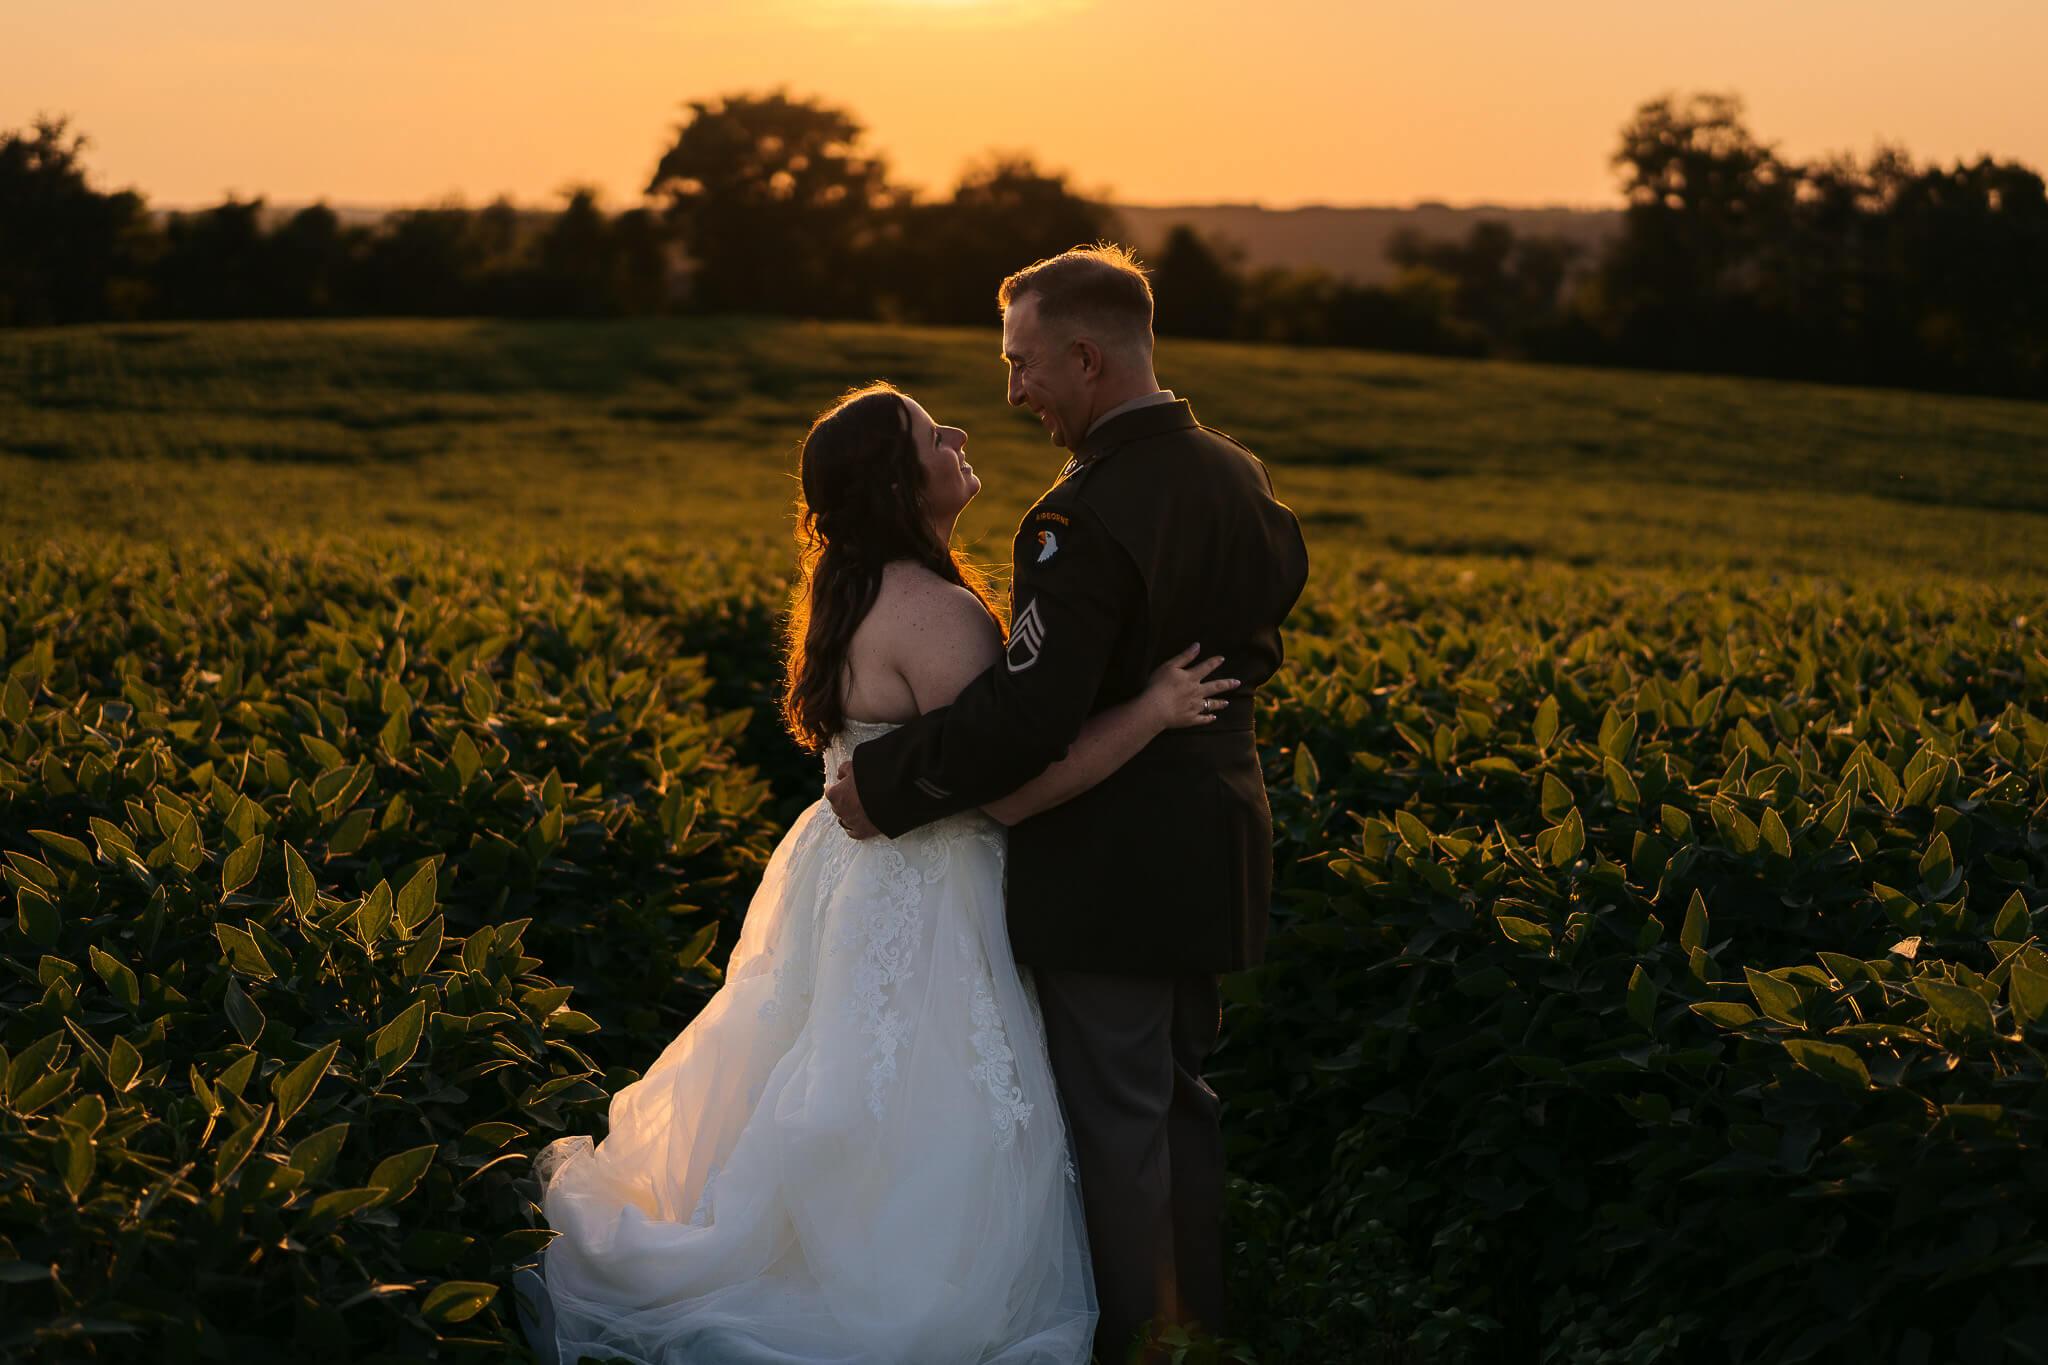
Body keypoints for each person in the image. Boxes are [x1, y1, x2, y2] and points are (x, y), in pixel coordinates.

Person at [515, 380, 1240, 1365]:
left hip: (854, 880)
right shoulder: (940, 614)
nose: (957, 433)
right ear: (901, 483)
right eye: (929, 433)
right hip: (933, 891)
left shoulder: (844, 591)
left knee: (855, 1089)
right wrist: (1152, 709)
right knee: (936, 1121)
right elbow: (1012, 794)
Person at [826, 244, 1311, 1364]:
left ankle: (1142, 1344)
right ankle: (1196, 1333)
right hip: (1216, 840)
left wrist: (886, 781)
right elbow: (1261, 621)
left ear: (1084, 358)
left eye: (1022, 364)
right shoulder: (1237, 477)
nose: (1011, 393)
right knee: (1183, 1102)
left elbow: (1026, 721)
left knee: (1115, 1125)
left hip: (1109, 862)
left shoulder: (1075, 518)